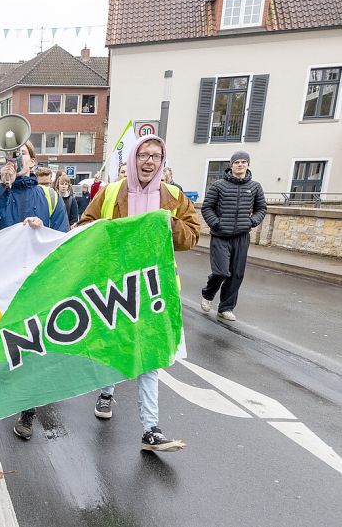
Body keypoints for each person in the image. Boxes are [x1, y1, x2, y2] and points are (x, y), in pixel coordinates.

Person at [77, 134, 200, 452]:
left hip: (157, 289)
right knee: (117, 350)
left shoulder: (172, 196)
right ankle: (106, 392)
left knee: (151, 358)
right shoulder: (111, 192)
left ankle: (151, 429)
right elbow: (83, 227)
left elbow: (192, 236)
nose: (149, 161)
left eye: (156, 156)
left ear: (163, 161)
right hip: (117, 288)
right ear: (133, 158)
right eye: (144, 155)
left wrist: (168, 223)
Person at [0, 141, 68, 441]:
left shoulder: (49, 196)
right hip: (5, 282)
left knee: (35, 343)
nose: (15, 158)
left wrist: (43, 229)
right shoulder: (0, 192)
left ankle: (28, 409)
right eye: (10, 155)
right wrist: (2, 188)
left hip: (40, 281)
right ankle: (9, 392)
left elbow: (63, 238)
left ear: (32, 160)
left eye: (21, 154)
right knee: (9, 340)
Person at [199, 151, 267, 322]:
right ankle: (208, 293)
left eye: (244, 162)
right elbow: (207, 208)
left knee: (236, 274)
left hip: (242, 236)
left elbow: (261, 208)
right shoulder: (218, 185)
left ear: (248, 165)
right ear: (231, 165)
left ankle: (226, 308)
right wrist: (216, 223)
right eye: (237, 162)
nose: (240, 165)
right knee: (221, 271)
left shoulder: (255, 187)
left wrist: (252, 222)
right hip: (221, 235)